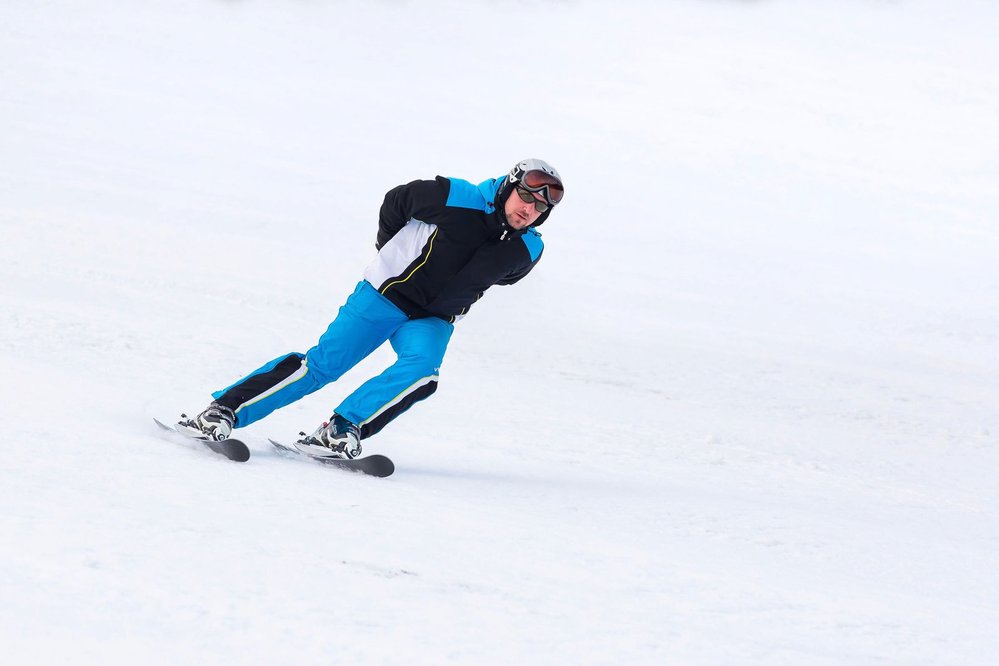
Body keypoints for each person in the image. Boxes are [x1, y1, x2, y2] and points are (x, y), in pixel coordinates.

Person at [176, 158, 565, 459]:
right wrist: (390, 253)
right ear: (508, 187)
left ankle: (341, 428)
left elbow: (504, 277)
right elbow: (397, 202)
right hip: (383, 296)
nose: (529, 209)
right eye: (526, 196)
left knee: (423, 374)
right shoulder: (456, 196)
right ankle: (222, 411)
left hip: (432, 320)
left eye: (539, 207)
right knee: (321, 367)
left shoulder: (528, 248)